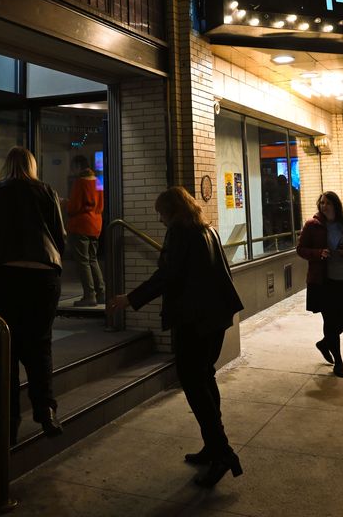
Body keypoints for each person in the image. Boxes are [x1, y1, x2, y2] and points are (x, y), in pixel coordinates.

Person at [107, 187, 245, 488]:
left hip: (194, 320)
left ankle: (222, 452)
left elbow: (166, 276)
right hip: (216, 316)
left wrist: (130, 299)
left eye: (161, 213)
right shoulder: (207, 230)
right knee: (205, 378)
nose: (159, 219)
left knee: (194, 383)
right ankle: (213, 446)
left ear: (171, 211)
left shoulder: (179, 233)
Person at [0, 146, 66, 442]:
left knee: (3, 346)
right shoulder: (46, 191)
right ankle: (45, 410)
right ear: (32, 166)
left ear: (5, 165)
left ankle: (8, 420)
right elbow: (59, 236)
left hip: (3, 276)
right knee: (40, 344)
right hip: (43, 275)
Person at [296, 191, 343, 378]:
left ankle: (324, 343)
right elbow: (301, 249)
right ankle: (339, 362)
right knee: (330, 320)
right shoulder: (313, 225)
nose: (323, 206)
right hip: (323, 280)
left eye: (327, 203)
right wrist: (319, 253)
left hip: (342, 279)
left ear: (335, 204)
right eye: (321, 203)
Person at [66, 155, 105, 306]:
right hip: (95, 224)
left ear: (77, 166)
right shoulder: (98, 181)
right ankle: (101, 292)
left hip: (81, 225)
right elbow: (100, 205)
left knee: (83, 261)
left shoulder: (79, 183)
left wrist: (65, 204)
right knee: (92, 259)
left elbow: (73, 207)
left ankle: (89, 295)